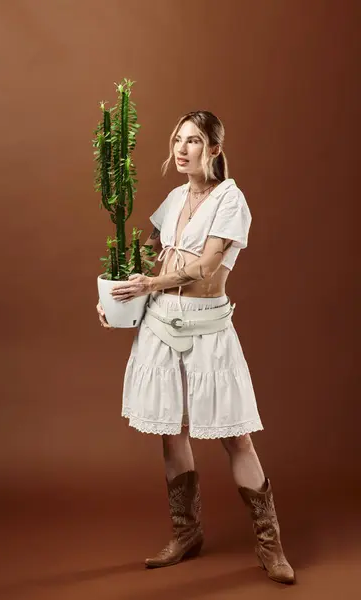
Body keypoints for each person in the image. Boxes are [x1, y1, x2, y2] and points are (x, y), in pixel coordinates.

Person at [97, 111, 295, 584]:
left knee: (236, 436)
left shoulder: (231, 199)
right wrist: (113, 298)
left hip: (208, 327)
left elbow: (204, 267)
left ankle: (271, 544)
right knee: (173, 428)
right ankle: (186, 532)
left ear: (215, 149)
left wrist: (148, 284)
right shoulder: (173, 198)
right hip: (161, 325)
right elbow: (143, 254)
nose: (182, 149)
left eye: (194, 141)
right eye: (178, 140)